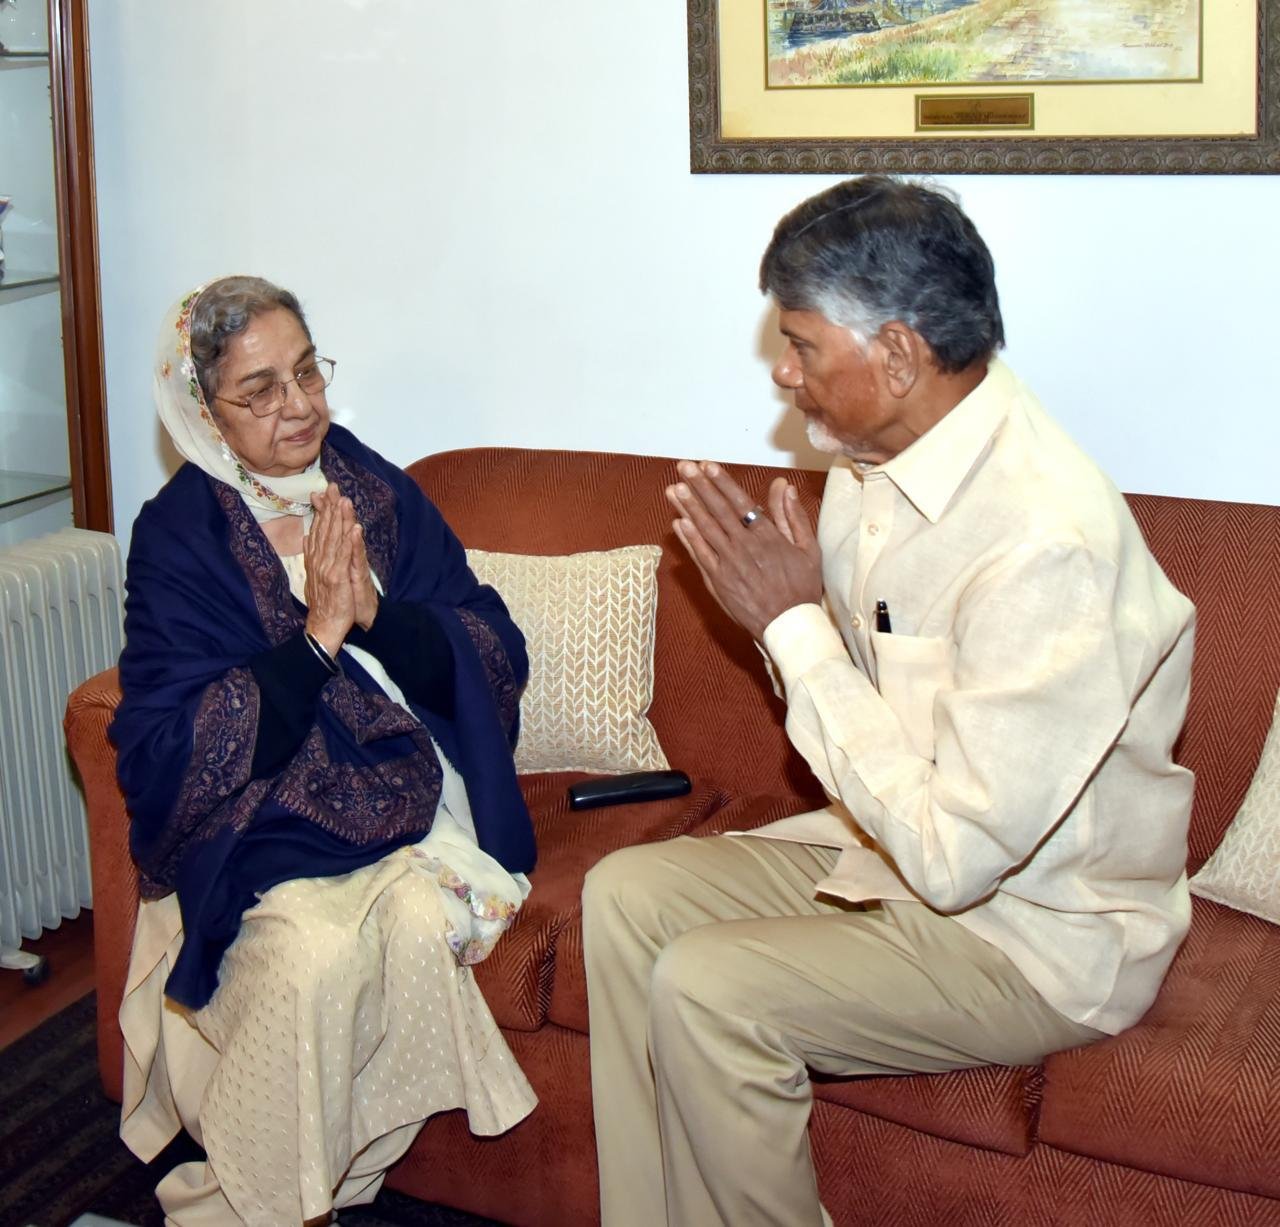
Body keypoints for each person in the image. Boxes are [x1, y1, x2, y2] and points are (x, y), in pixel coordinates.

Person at [582, 176, 1196, 1227]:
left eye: (802, 345)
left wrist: (790, 629)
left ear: (899, 354)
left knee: (711, 986)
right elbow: (869, 726)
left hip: (1036, 935)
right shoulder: (871, 467)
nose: (783, 374)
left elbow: (957, 860)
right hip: (895, 854)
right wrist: (790, 626)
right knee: (623, 898)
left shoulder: (1044, 540)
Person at [110, 276, 538, 1226]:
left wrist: (376, 615)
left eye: (306, 371)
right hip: (263, 825)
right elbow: (164, 745)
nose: (299, 406)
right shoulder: (179, 537)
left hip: (411, 798)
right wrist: (314, 644)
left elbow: (492, 641)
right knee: (311, 957)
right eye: (259, 390)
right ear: (201, 408)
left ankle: (299, 1198)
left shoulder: (368, 486)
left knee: (417, 930)